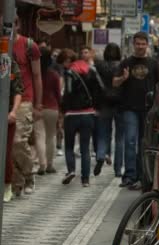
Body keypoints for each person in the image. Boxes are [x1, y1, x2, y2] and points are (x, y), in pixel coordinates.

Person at [113, 31, 159, 190]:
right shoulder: (126, 63)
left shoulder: (154, 63)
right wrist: (123, 78)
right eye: (138, 44)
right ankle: (129, 176)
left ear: (147, 45)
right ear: (133, 45)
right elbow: (114, 83)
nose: (140, 47)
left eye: (143, 44)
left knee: (144, 143)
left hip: (148, 109)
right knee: (130, 141)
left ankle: (143, 175)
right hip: (129, 108)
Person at [57, 48, 104, 187]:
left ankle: (71, 170)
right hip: (88, 114)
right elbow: (100, 89)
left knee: (69, 146)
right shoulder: (91, 70)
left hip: (72, 114)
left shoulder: (70, 72)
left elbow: (69, 93)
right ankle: (85, 180)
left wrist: (63, 108)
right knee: (85, 148)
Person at [12, 15, 43, 197]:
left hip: (24, 98)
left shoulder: (29, 46)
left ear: (17, 24)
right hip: (4, 100)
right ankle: (16, 182)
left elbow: (37, 75)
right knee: (6, 145)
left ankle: (28, 174)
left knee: (18, 141)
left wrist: (38, 104)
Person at [94, 43, 124, 178]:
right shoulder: (122, 65)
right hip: (120, 103)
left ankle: (101, 155)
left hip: (104, 102)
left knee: (103, 134)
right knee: (120, 138)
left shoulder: (100, 65)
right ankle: (118, 169)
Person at [36, 47, 61, 175]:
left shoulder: (34, 73)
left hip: (38, 107)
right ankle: (50, 165)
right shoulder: (54, 74)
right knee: (51, 136)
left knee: (40, 136)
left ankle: (41, 165)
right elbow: (58, 93)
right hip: (52, 108)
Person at [4, 60, 24, 202]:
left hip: (6, 115)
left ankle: (7, 186)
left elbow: (17, 91)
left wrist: (13, 112)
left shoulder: (10, 63)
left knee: (5, 153)